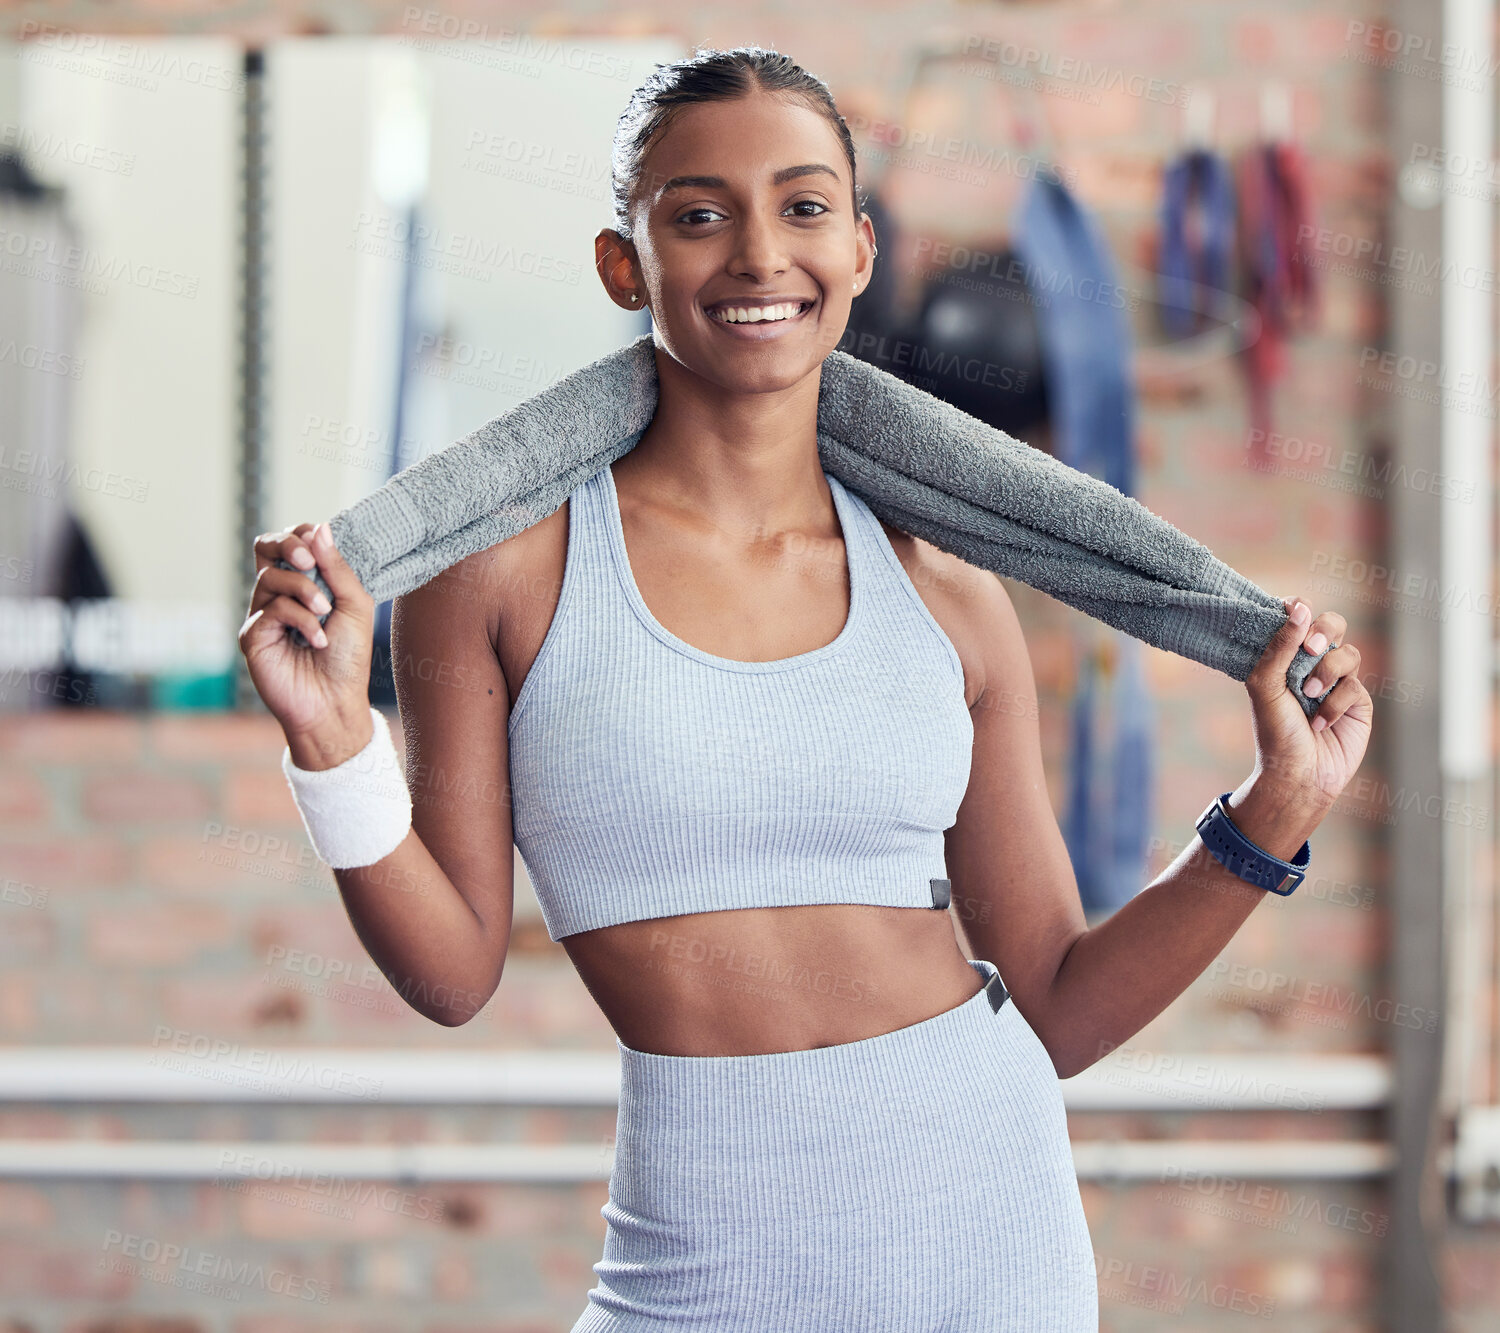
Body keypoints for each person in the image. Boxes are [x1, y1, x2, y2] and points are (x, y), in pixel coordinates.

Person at [238, 45, 1373, 1332]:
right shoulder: (500, 572)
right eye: (700, 213)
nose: (760, 254)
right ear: (627, 262)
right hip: (696, 1263)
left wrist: (1279, 804)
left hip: (985, 1233)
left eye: (804, 206)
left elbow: (1057, 1000)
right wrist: (334, 741)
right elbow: (452, 974)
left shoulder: (945, 592)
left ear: (861, 253)